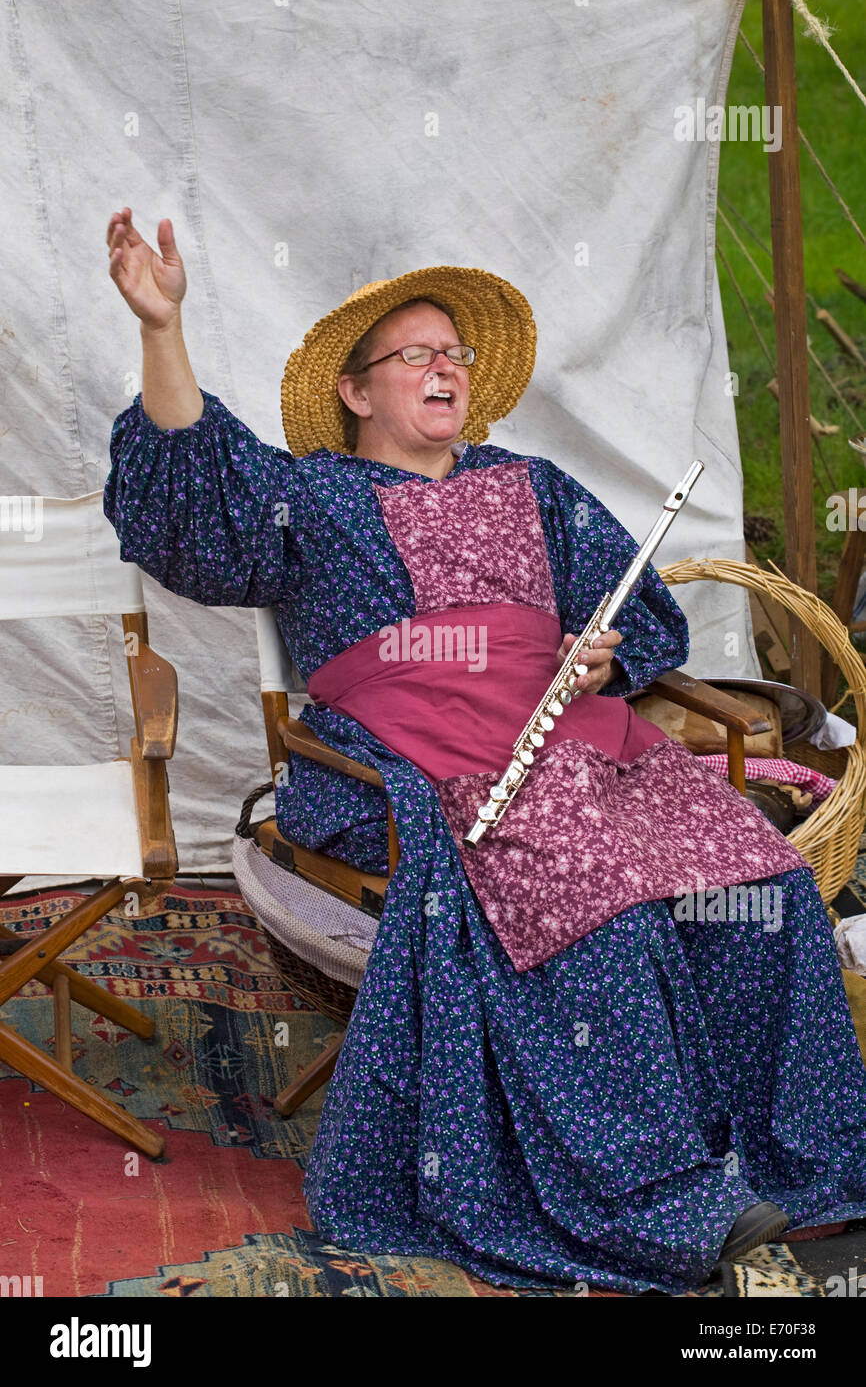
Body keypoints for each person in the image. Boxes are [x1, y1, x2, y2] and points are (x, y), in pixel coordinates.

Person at [103, 207, 866, 1295]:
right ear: (357, 392)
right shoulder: (311, 495)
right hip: (401, 759)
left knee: (757, 875)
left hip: (568, 738)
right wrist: (162, 329)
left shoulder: (536, 486)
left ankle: (797, 1168)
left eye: (452, 351)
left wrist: (600, 651)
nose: (442, 366)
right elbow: (196, 490)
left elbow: (637, 614)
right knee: (592, 891)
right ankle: (655, 1205)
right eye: (413, 353)